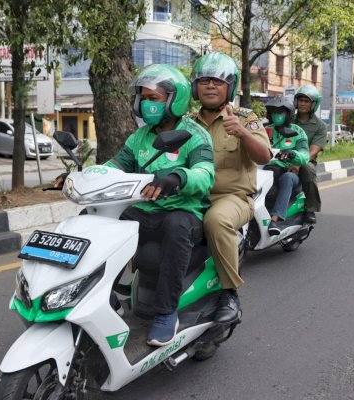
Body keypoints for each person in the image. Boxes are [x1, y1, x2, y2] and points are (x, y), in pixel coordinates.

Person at [55, 64, 215, 347]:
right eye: (144, 98)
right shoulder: (140, 137)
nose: (147, 104)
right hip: (145, 211)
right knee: (90, 219)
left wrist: (176, 177)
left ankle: (166, 313)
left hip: (183, 213)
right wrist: (79, 177)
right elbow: (114, 167)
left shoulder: (195, 135)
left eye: (155, 98)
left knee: (177, 226)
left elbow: (205, 175)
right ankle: (103, 299)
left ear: (173, 100)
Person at [189, 52, 271, 324]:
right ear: (195, 86)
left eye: (218, 81)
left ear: (230, 87)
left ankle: (229, 293)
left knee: (216, 220)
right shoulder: (186, 121)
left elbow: (264, 157)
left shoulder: (246, 117)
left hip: (233, 198)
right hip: (192, 197)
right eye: (204, 80)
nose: (210, 86)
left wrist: (244, 133)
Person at [264, 96, 309, 236]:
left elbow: (305, 156)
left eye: (282, 112)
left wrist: (292, 154)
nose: (278, 115)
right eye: (275, 112)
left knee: (288, 177)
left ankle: (275, 220)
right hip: (264, 169)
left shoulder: (297, 132)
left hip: (287, 172)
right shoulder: (264, 130)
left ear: (289, 114)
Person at [293, 84, 327, 224]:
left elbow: (313, 151)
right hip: (282, 157)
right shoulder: (288, 120)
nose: (302, 104)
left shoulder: (320, 126)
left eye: (306, 101)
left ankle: (310, 208)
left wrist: (297, 162)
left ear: (314, 104)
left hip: (305, 160)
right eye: (300, 100)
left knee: (308, 169)